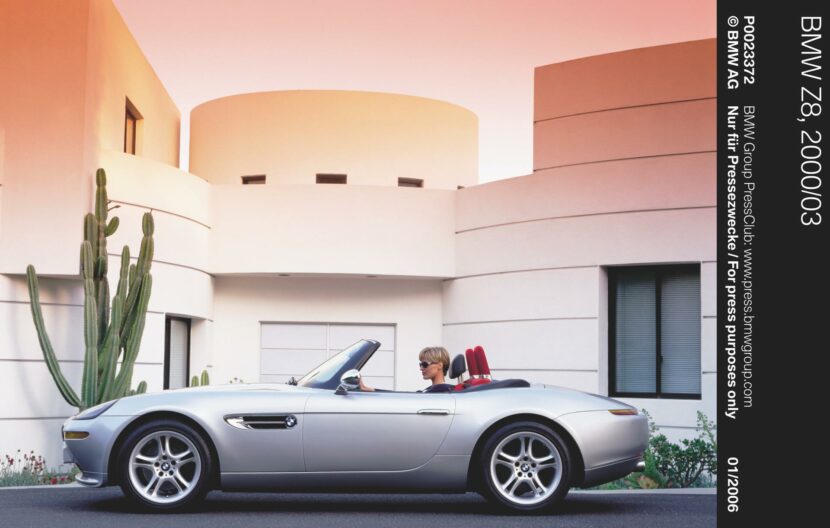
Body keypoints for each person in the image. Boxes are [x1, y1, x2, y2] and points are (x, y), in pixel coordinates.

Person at [359, 346, 455, 393]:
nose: (421, 368)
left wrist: (371, 390)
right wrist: (371, 389)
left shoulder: (442, 390)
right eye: (420, 364)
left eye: (425, 364)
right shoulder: (433, 390)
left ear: (439, 365)